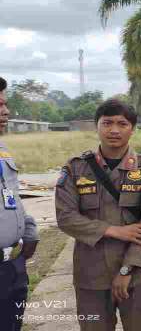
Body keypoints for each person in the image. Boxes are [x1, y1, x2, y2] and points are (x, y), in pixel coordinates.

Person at [55, 99, 141, 331]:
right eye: (107, 123)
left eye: (122, 124)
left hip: (138, 275)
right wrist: (113, 230)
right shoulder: (75, 168)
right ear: (97, 126)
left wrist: (127, 270)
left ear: (132, 129)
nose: (114, 130)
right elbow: (66, 218)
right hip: (91, 276)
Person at [0, 76, 39, 331]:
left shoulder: (3, 152)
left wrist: (28, 229)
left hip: (12, 267)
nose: (6, 111)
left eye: (4, 104)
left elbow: (10, 195)